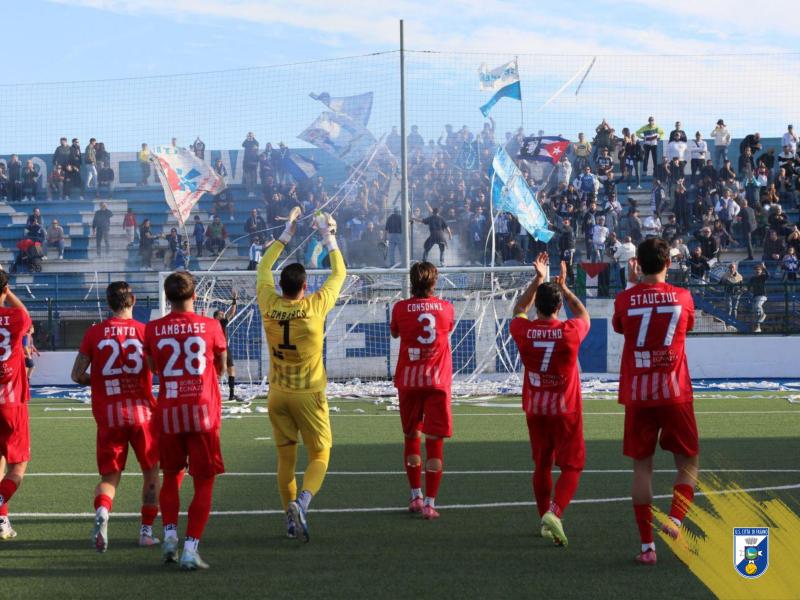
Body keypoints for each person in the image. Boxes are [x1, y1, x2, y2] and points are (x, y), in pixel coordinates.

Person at [256, 209, 345, 542]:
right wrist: (328, 234)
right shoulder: (315, 306)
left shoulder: (268, 302)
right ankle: (304, 503)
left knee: (285, 459)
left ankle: (289, 520)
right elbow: (339, 272)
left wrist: (287, 232)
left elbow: (264, 266)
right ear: (306, 286)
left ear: (280, 285)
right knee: (320, 454)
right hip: (309, 394)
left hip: (277, 393)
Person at [613, 239, 699, 566]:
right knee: (688, 464)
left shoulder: (625, 298)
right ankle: (675, 520)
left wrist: (636, 285)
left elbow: (621, 326)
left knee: (642, 468)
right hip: (675, 392)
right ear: (668, 264)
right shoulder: (683, 297)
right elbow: (687, 325)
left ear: (637, 264)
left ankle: (647, 546)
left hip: (639, 393)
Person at [144, 272, 227, 570]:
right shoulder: (211, 325)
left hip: (168, 412)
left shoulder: (152, 328)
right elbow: (219, 365)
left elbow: (153, 367)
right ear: (194, 296)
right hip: (203, 413)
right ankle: (191, 548)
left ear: (167, 298)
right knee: (204, 482)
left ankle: (168, 535)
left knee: (170, 476)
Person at [70, 282, 160, 552]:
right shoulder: (145, 332)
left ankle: (103, 512)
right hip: (143, 413)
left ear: (109, 303)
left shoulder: (94, 333)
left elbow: (76, 375)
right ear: (132, 300)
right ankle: (145, 531)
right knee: (151, 472)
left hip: (109, 415)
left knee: (110, 476)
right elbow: (157, 369)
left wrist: (97, 381)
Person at [509, 254, 589, 546]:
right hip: (565, 409)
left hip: (536, 408)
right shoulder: (569, 332)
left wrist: (538, 279)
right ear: (558, 307)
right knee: (573, 466)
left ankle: (544, 517)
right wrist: (564, 287)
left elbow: (519, 309)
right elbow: (582, 314)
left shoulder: (523, 330)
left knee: (542, 464)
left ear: (537, 307)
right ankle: (555, 512)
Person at [390, 262, 455, 520]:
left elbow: (395, 333)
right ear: (434, 282)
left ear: (412, 282)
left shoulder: (400, 308)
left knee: (411, 436)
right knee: (435, 443)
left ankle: (415, 496)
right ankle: (430, 503)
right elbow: (447, 329)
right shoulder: (446, 308)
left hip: (409, 381)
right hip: (437, 382)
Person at [0, 272, 32, 541]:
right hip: (11, 402)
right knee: (17, 467)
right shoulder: (17, 318)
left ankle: (2, 522)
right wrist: (8, 292)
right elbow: (26, 314)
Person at [213, 291, 239, 402]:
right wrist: (234, 299)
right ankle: (231, 394)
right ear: (217, 316)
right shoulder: (221, 322)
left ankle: (214, 394)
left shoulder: (210, 323)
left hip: (213, 349)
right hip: (223, 348)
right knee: (230, 370)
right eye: (221, 314)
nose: (223, 315)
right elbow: (232, 312)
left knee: (217, 372)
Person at [749, 264, 769, 333]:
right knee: (756, 312)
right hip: (755, 296)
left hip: (763, 295)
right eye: (756, 270)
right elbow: (749, 287)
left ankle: (763, 315)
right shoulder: (752, 278)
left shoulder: (763, 277)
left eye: (759, 270)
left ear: (761, 271)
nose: (757, 271)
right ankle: (758, 327)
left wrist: (765, 268)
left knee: (757, 306)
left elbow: (768, 275)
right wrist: (745, 290)